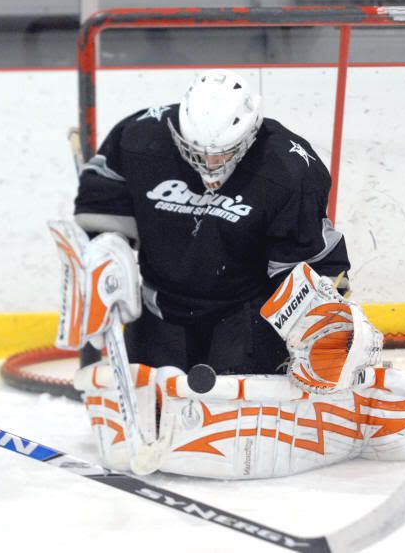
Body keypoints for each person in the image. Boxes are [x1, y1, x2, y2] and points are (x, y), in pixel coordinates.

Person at [74, 69, 351, 375]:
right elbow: (102, 198)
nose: (209, 164)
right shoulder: (140, 139)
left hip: (245, 316)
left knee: (234, 415)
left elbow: (307, 264)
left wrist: (320, 324)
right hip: (159, 307)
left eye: (224, 153)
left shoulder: (287, 169)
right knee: (151, 411)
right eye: (195, 153)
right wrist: (108, 257)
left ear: (251, 134)